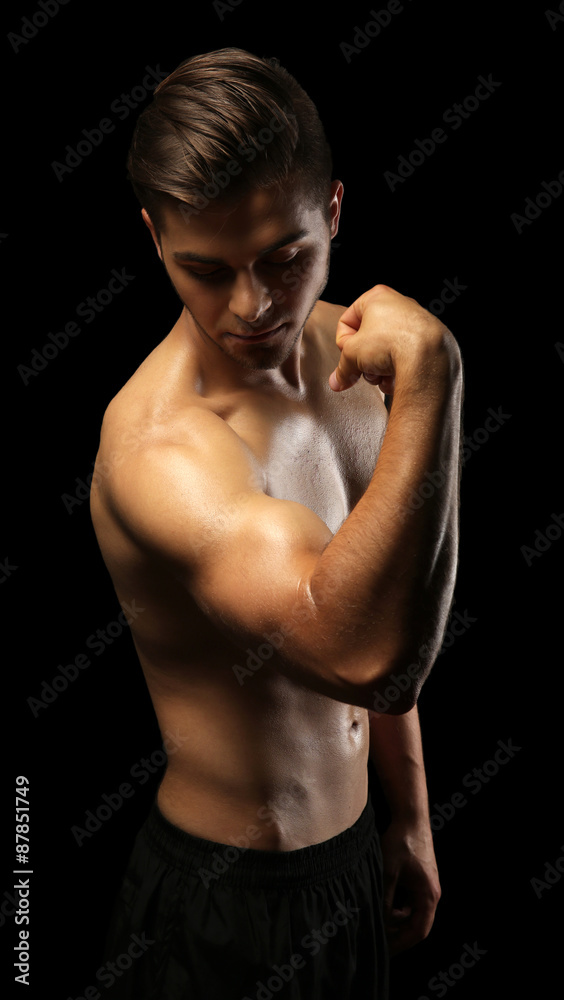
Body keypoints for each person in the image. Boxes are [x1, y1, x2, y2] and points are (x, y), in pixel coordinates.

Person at [90, 46, 463, 999]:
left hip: (345, 871)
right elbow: (369, 651)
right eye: (204, 270)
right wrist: (437, 380)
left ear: (333, 211)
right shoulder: (162, 450)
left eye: (286, 258)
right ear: (154, 237)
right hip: (224, 901)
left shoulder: (354, 368)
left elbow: (381, 582)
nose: (251, 305)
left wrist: (409, 814)